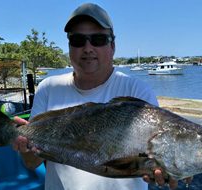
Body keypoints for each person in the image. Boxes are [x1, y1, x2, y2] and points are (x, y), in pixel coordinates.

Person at [13, 3, 191, 190]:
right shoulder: (48, 88)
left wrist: (162, 172)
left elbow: (148, 163)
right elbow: (31, 163)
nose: (88, 48)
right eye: (78, 40)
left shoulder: (137, 91)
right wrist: (22, 144)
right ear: (69, 46)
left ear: (112, 46)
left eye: (98, 39)